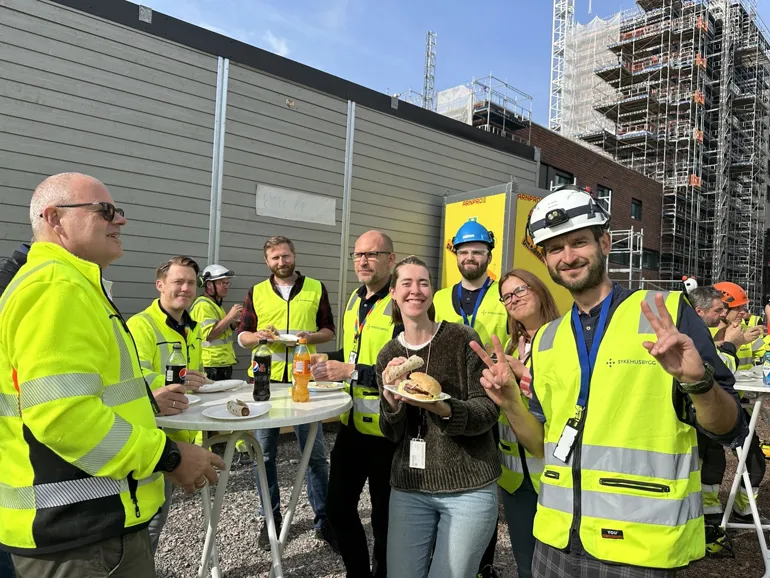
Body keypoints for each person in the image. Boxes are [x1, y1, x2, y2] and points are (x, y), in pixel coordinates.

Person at [472, 184, 747, 578]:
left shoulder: (664, 313)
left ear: (604, 242)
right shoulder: (548, 339)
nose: (567, 257)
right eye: (554, 249)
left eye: (578, 242)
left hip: (640, 546)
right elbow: (539, 444)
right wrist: (510, 401)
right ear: (546, 261)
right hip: (556, 540)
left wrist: (698, 382)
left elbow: (728, 427)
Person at [0, 172, 224, 578]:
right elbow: (63, 417)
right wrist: (168, 457)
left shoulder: (71, 284)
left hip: (79, 527)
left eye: (117, 211)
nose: (119, 221)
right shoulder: (57, 287)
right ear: (54, 219)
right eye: (104, 211)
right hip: (81, 534)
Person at [377, 255, 501, 578]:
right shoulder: (389, 356)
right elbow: (392, 434)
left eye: (423, 282)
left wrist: (446, 410)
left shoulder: (462, 339)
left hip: (468, 487)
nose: (415, 290)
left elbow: (489, 411)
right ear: (392, 292)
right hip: (410, 486)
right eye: (406, 283)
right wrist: (391, 403)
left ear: (432, 291)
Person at [236, 236, 338, 550]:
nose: (281, 262)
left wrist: (311, 336)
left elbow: (329, 330)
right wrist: (259, 336)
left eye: (285, 255)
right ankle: (271, 520)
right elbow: (242, 337)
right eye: (275, 258)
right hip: (266, 383)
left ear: (294, 255)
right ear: (267, 262)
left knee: (316, 456)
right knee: (263, 455)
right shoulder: (256, 292)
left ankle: (324, 521)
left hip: (304, 380)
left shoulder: (316, 288)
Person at [312, 230, 398, 578]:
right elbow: (354, 354)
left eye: (372, 254)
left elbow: (408, 365)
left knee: (385, 518)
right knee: (337, 509)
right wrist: (326, 360)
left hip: (388, 429)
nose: (363, 261)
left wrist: (349, 370)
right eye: (358, 255)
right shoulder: (353, 300)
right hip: (352, 426)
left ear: (391, 259)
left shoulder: (401, 299)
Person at [433, 219, 509, 578]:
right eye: (464, 252)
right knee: (445, 476)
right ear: (456, 256)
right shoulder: (438, 298)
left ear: (488, 255)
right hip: (446, 400)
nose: (470, 257)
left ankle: (484, 563)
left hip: (490, 401)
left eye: (477, 251)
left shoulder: (504, 294)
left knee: (482, 485)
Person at [127, 255, 210, 554]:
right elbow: (135, 376)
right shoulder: (141, 325)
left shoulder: (193, 328)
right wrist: (179, 381)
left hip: (181, 434)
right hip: (151, 434)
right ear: (160, 285)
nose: (185, 289)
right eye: (178, 282)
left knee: (158, 518)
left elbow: (192, 382)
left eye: (191, 283)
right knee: (146, 521)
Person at [492, 269, 560, 578]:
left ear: (539, 290)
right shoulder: (509, 345)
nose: (513, 299)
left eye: (520, 290)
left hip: (553, 474)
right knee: (524, 562)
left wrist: (525, 375)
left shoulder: (565, 337)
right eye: (506, 296)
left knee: (555, 562)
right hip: (514, 476)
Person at [690, 286, 768, 530]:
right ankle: (710, 512)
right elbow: (714, 370)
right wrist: (731, 344)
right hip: (709, 408)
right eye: (737, 309)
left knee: (753, 457)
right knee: (711, 460)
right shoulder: (700, 334)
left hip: (737, 406)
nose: (743, 314)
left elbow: (761, 357)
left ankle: (745, 509)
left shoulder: (742, 332)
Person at [191, 264, 242, 381]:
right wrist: (230, 317)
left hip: (221, 364)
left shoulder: (215, 305)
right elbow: (209, 335)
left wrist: (233, 324)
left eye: (227, 283)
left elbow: (220, 329)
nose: (226, 286)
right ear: (209, 284)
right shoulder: (203, 306)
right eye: (221, 283)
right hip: (211, 365)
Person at [714, 282, 765, 370]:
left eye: (743, 307)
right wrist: (740, 341)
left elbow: (763, 352)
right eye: (737, 308)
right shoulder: (706, 333)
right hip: (723, 382)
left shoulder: (744, 329)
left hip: (747, 382)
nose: (742, 312)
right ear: (721, 308)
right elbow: (714, 365)